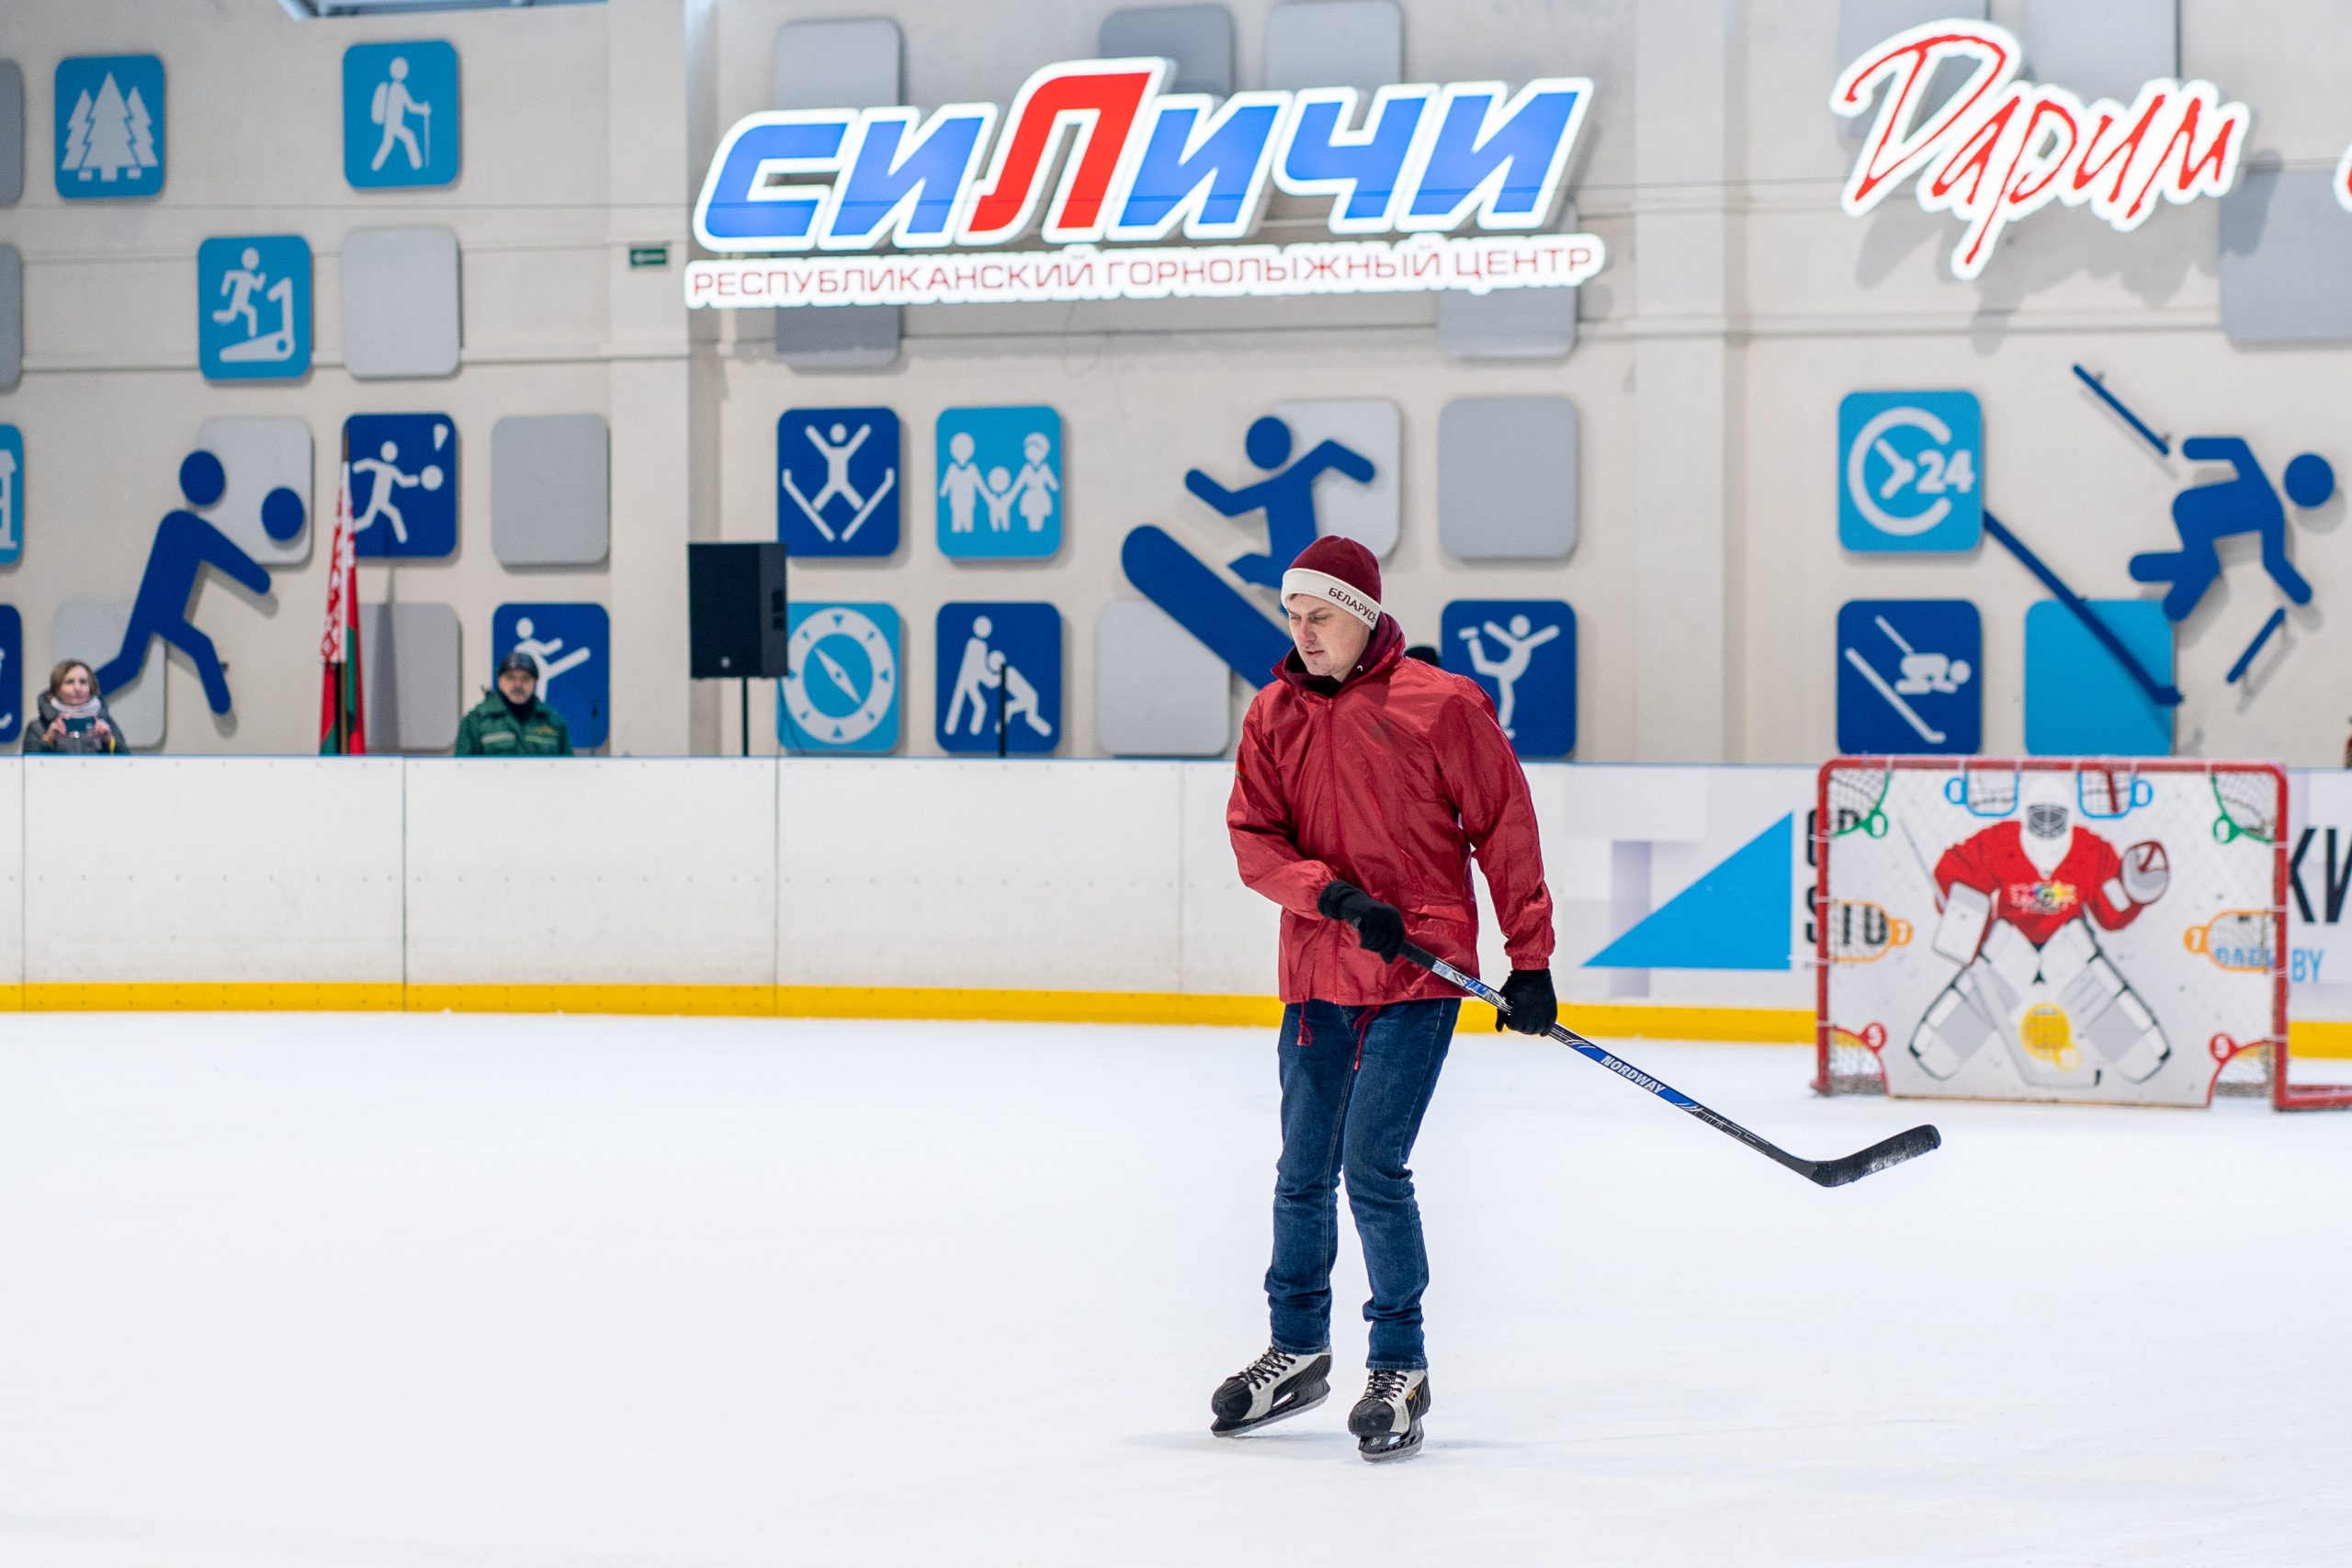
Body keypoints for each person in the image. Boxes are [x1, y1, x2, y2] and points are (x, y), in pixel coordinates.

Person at [1215, 536, 1558, 1463]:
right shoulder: (1273, 713)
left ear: (1363, 615)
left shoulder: (1442, 705)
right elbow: (1253, 839)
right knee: (1301, 1171)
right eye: (1293, 616)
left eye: (1320, 615)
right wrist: (1329, 896)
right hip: (1316, 971)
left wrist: (1529, 960)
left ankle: (1399, 1363)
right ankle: (1297, 1347)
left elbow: (1504, 827)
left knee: (1371, 1165)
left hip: (1416, 976)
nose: (1303, 632)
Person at [455, 649, 573, 756]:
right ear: (499, 681)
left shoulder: (553, 721)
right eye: (510, 678)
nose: (518, 685)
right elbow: (461, 769)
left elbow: (568, 769)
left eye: (525, 679)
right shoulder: (476, 721)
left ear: (535, 683)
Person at [27, 660, 126, 754]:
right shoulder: (38, 727)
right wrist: (48, 740)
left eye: (83, 682)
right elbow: (28, 764)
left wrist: (109, 741)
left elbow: (127, 762)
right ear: (57, 689)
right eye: (69, 682)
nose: (77, 688)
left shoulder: (107, 724)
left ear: (91, 688)